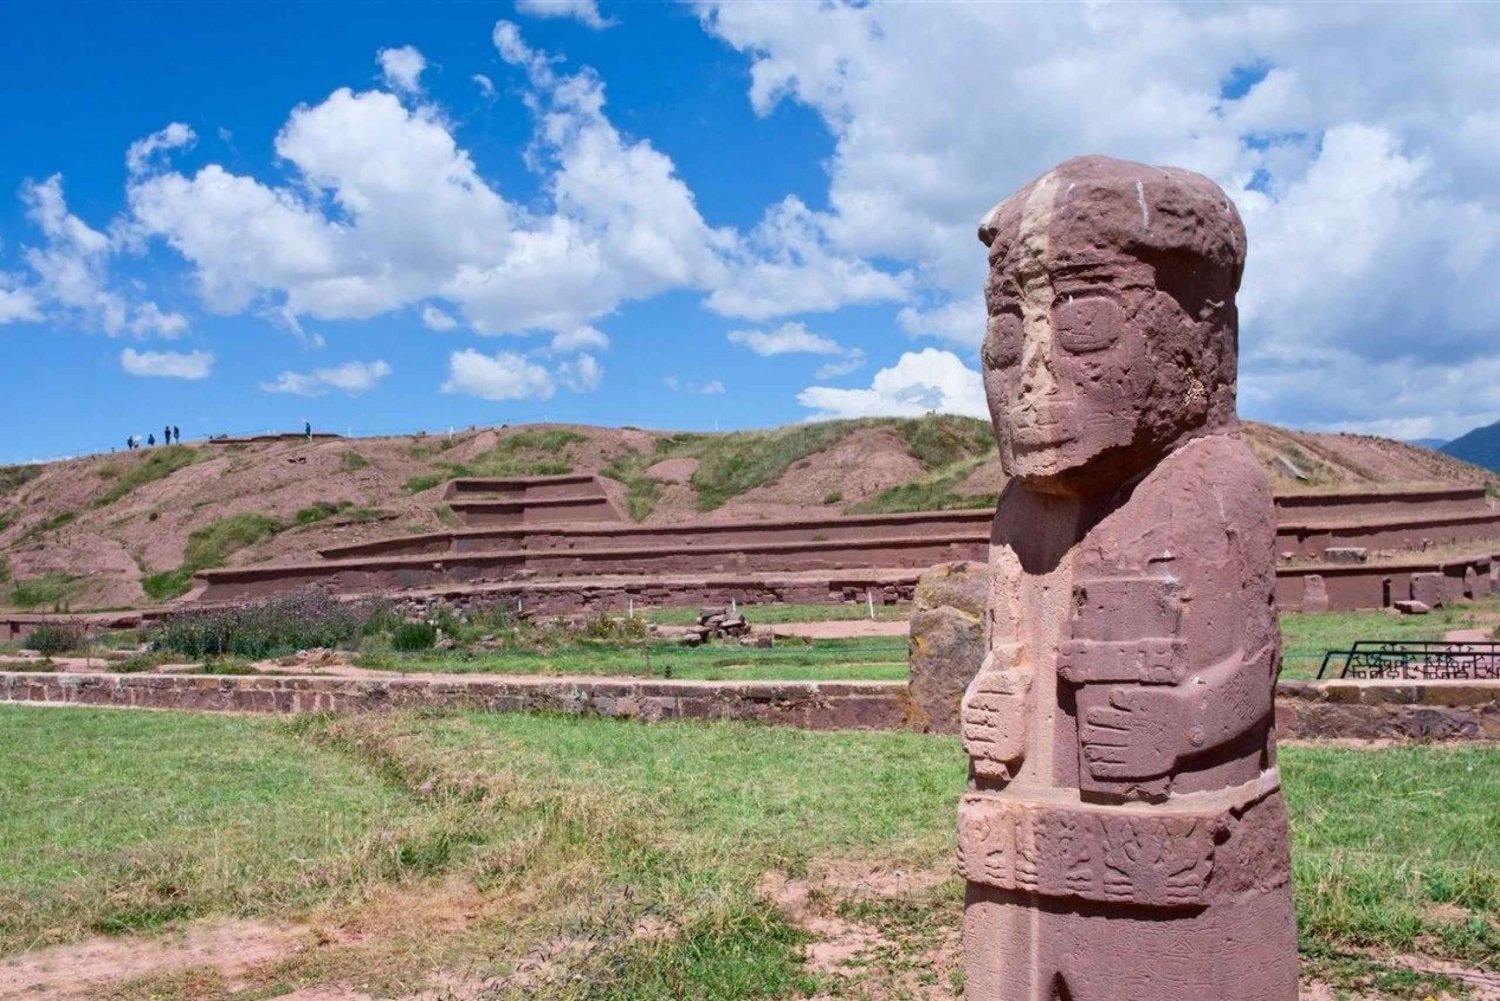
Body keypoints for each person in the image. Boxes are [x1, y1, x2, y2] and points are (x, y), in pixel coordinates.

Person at [959, 156, 1295, 1000]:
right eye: (1007, 328)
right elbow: (1009, 658)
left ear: (1197, 329)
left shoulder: (1216, 486)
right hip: (1026, 845)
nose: (1032, 372)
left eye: (1085, 321)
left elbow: (1255, 672)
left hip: (1175, 870)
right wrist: (993, 696)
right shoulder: (1020, 512)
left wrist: (1181, 724)